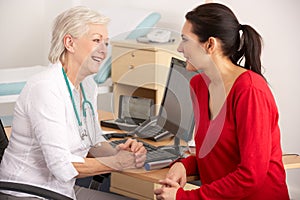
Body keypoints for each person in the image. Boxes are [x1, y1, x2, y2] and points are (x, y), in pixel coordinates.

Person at [0, 6, 146, 200]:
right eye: (96, 41)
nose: (103, 51)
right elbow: (62, 167)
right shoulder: (46, 88)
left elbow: (92, 141)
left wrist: (119, 152)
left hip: (61, 190)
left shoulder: (88, 85)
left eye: (106, 43)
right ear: (69, 42)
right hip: (28, 192)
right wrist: (116, 163)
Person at [154, 3, 289, 200]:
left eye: (185, 40)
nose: (179, 48)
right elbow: (214, 153)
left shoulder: (250, 91)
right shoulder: (199, 85)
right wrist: (185, 164)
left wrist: (183, 197)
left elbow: (250, 176)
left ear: (210, 45)